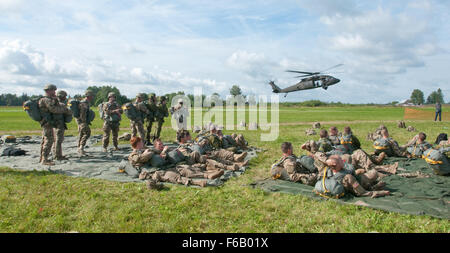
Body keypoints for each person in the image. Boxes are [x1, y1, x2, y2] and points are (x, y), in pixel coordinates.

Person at [324, 155, 390, 198]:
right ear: (335, 164)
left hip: (357, 179)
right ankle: (372, 191)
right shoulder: (344, 176)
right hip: (356, 186)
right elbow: (350, 172)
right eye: (340, 160)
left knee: (373, 173)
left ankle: (371, 186)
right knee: (373, 173)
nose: (342, 161)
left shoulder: (331, 170)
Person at [38, 84, 71, 165]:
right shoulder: (46, 100)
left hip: (50, 122)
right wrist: (64, 109)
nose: (54, 92)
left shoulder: (50, 99)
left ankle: (46, 157)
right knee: (49, 140)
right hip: (47, 123)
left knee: (49, 140)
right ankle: (44, 159)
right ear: (49, 90)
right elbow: (54, 109)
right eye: (53, 90)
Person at [52, 90, 69, 161]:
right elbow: (68, 111)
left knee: (56, 140)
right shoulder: (61, 105)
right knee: (59, 140)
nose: (65, 97)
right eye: (65, 96)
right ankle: (58, 156)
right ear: (62, 96)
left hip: (54, 124)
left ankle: (56, 154)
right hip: (59, 124)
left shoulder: (54, 103)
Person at [77, 90, 95, 156]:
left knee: (82, 134)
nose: (93, 97)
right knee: (87, 133)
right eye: (92, 96)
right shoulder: (84, 103)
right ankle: (81, 148)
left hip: (81, 121)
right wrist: (84, 122)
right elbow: (82, 113)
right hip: (82, 121)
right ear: (89, 96)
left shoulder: (86, 102)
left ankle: (80, 148)